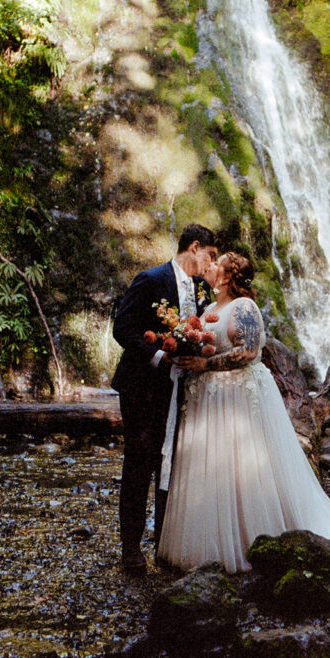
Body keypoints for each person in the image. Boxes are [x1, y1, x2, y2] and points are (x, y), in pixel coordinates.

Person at [157, 251, 330, 574]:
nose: (212, 264)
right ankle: (216, 544)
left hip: (237, 398)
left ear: (230, 275)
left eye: (219, 262)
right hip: (211, 400)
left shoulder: (244, 307)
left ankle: (251, 540)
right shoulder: (208, 310)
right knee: (218, 470)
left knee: (245, 468)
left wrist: (206, 363)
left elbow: (248, 352)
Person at [111, 223, 217, 574]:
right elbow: (122, 328)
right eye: (211, 256)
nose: (211, 264)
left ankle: (163, 544)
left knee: (171, 466)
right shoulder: (151, 279)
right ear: (194, 247)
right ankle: (130, 549)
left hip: (181, 390)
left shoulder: (202, 288)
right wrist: (159, 356)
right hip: (143, 386)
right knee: (139, 464)